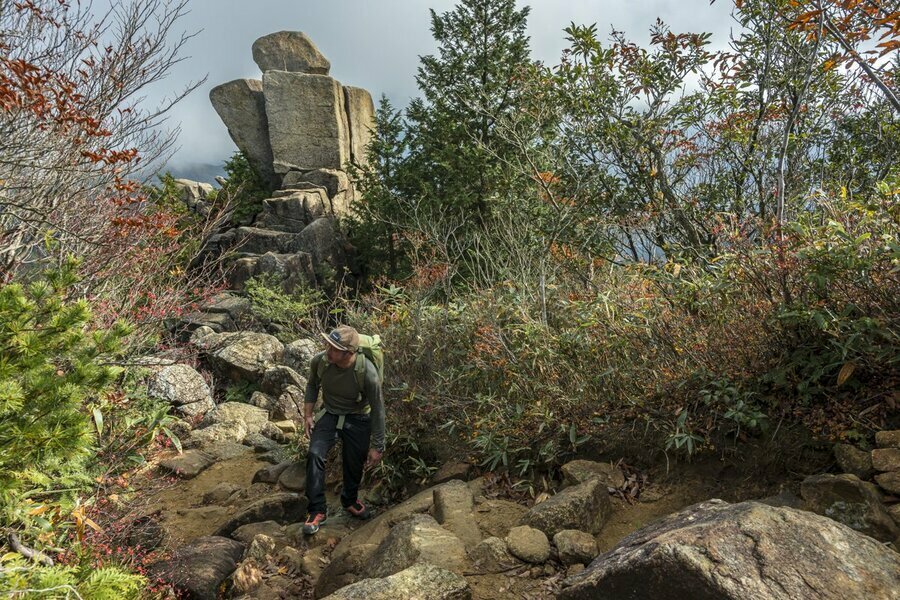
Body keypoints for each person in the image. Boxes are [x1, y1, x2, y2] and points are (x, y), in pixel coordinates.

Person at [301, 325, 385, 535]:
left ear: (348, 353)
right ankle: (317, 510)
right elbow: (312, 385)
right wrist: (308, 416)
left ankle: (349, 500)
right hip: (329, 413)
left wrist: (378, 446)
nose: (328, 351)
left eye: (334, 348)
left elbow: (378, 409)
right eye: (328, 345)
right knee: (314, 454)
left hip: (358, 417)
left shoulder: (368, 372)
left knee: (354, 462)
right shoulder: (321, 361)